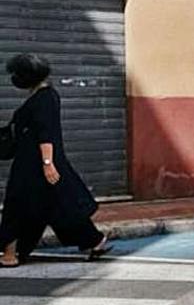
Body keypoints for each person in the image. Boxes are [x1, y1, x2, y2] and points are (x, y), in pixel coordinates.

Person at [0, 54, 111, 267]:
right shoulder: (42, 96)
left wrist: (48, 164)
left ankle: (10, 253)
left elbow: (45, 133)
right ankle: (95, 241)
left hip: (34, 165)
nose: (14, 79)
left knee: (18, 206)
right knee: (57, 207)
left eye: (17, 74)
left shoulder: (44, 98)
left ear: (27, 75)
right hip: (32, 163)